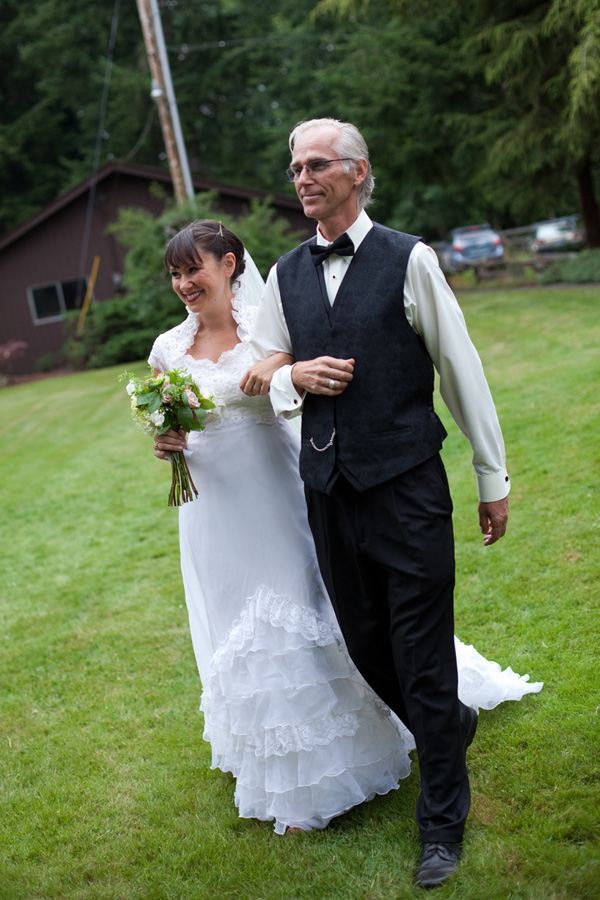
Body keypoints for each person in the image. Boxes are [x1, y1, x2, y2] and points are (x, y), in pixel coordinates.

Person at [150, 219, 542, 849]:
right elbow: (172, 432)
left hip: (279, 492)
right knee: (242, 625)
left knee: (311, 611)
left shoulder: (271, 325)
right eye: (174, 274)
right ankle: (281, 765)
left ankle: (365, 748)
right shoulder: (167, 349)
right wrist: (166, 442)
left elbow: (310, 386)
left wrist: (286, 375)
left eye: (192, 268)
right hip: (213, 512)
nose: (183, 283)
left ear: (229, 264)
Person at [243, 118, 518, 887]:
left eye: (318, 164)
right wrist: (293, 376)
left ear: (359, 172)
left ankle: (441, 823)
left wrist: (490, 477)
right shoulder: (285, 273)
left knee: (422, 657)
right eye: (295, 165)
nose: (302, 177)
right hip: (328, 492)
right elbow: (261, 360)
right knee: (369, 647)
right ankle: (449, 728)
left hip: (407, 487)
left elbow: (460, 367)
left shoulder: (410, 258)